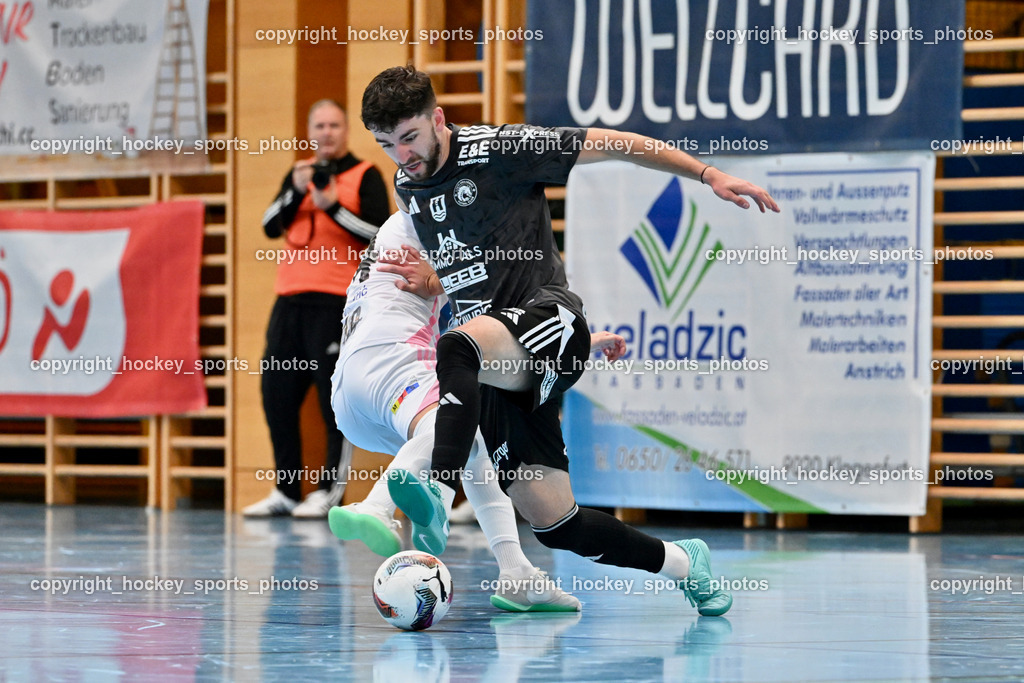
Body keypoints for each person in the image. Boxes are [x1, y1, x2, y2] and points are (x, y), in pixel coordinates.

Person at [360, 65, 781, 617]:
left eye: (409, 137)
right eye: (386, 145)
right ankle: (684, 563)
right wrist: (437, 282)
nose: (402, 155)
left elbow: (618, 143)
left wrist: (707, 174)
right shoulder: (407, 185)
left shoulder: (500, 149)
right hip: (502, 357)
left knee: (455, 348)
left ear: (438, 118)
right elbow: (477, 261)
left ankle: (437, 490)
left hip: (544, 318)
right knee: (556, 523)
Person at [327, 210, 625, 612]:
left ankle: (516, 573)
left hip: (350, 394)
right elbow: (494, 281)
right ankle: (377, 506)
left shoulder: (422, 227)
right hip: (391, 361)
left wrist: (576, 339)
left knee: (472, 443)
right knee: (455, 424)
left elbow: (499, 317)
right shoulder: (428, 219)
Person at [244, 99, 390, 518]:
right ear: (310, 131)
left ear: (347, 130)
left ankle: (328, 492)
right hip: (289, 300)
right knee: (276, 395)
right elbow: (269, 225)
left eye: (334, 125)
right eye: (319, 125)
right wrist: (295, 190)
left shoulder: (365, 174)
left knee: (332, 401)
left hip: (335, 303)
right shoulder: (300, 175)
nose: (326, 132)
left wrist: (334, 209)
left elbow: (380, 233)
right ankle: (286, 490)